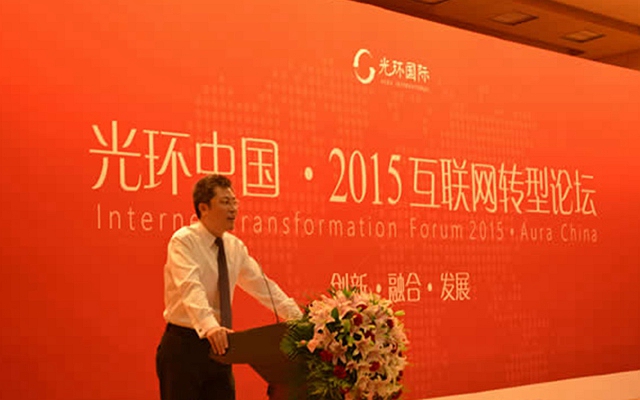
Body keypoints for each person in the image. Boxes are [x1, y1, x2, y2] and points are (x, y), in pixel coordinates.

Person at [156, 174, 302, 400]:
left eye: (234, 202)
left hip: (222, 348)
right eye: (225, 202)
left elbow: (264, 286)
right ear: (203, 208)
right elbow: (190, 287)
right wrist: (210, 327)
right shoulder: (184, 241)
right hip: (185, 346)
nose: (233, 209)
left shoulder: (234, 247)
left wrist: (299, 318)